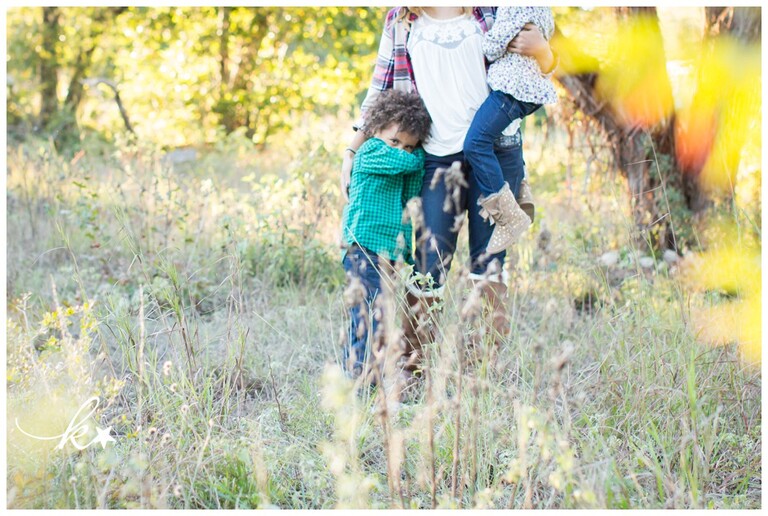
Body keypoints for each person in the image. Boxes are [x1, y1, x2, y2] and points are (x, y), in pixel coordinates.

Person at [341, 7, 556, 378]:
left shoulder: (488, 11)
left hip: (495, 152)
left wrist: (543, 50)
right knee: (429, 262)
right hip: (437, 159)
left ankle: (482, 373)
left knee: (488, 263)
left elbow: (537, 70)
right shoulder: (402, 20)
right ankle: (414, 368)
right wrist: (351, 149)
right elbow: (380, 88)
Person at [341, 89, 432, 380]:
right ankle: (356, 377)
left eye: (408, 145)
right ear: (375, 130)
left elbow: (412, 191)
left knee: (378, 315)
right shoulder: (369, 153)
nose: (400, 149)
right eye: (394, 140)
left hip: (387, 254)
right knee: (367, 315)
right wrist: (418, 154)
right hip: (363, 247)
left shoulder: (402, 161)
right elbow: (407, 163)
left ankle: (368, 375)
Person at [464, 7, 557, 254]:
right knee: (495, 134)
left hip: (512, 89)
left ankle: (509, 216)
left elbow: (492, 47)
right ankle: (521, 192)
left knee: (476, 142)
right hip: (521, 88)